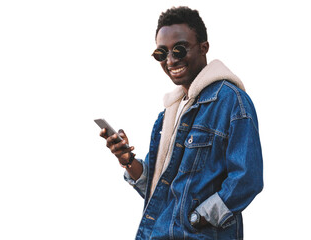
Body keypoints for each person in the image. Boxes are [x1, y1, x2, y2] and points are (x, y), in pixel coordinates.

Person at [100, 6, 263, 239]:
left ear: (204, 47)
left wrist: (197, 218)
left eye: (179, 49)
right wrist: (127, 161)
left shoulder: (231, 102)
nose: (170, 60)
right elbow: (160, 189)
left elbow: (248, 179)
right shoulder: (168, 114)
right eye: (161, 53)